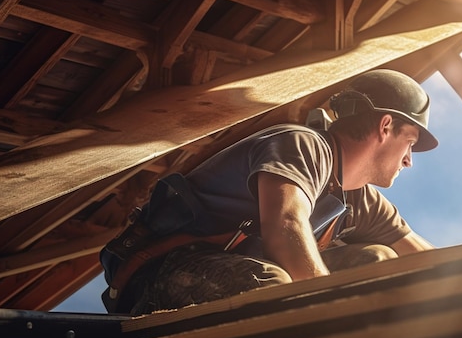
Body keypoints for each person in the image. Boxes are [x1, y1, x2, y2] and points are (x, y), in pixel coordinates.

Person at [99, 69, 438, 315]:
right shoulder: (302, 145)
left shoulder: (361, 200)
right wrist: (331, 316)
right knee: (269, 284)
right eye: (409, 143)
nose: (408, 161)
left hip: (235, 272)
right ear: (385, 126)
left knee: (376, 262)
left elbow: (428, 263)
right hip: (157, 275)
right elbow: (286, 224)